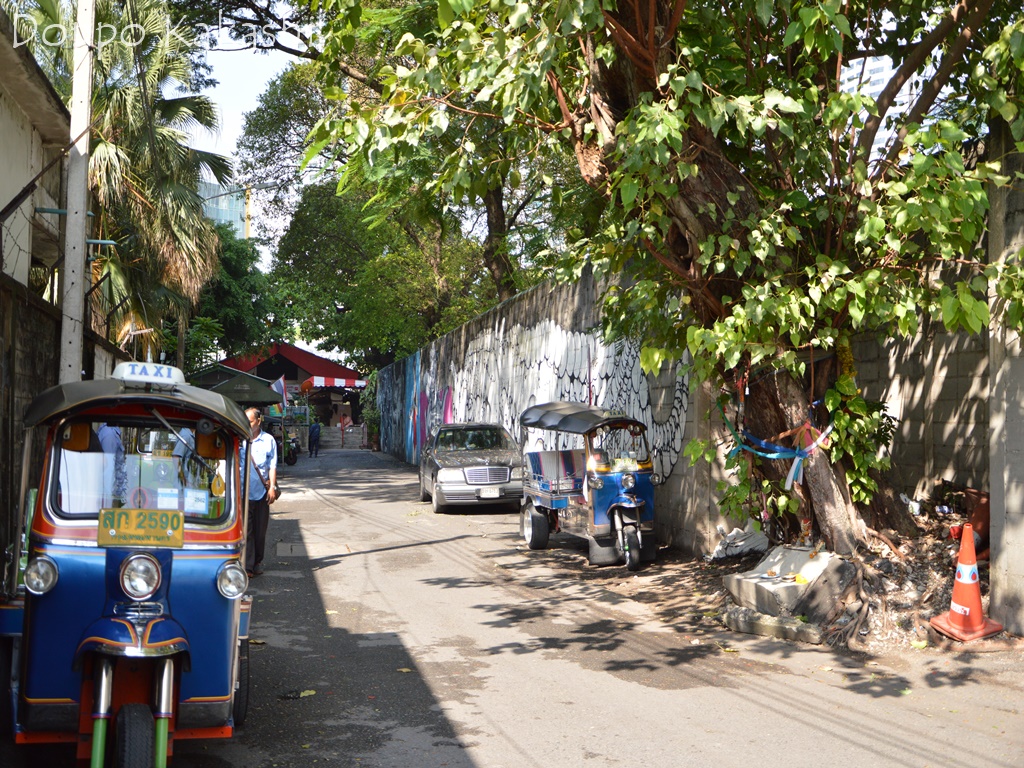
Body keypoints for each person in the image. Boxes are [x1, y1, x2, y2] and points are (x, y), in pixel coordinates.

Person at [241, 408, 277, 576]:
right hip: (243, 492)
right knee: (246, 530)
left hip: (262, 493)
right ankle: (247, 566)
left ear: (258, 421)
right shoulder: (240, 439)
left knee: (260, 531)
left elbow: (272, 466)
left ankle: (257, 562)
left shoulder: (268, 440)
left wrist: (272, 488)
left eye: (251, 421)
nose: (248, 424)